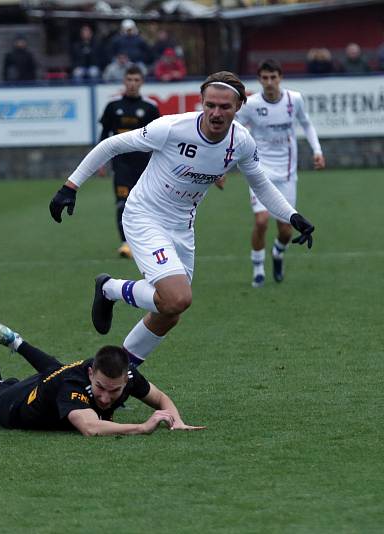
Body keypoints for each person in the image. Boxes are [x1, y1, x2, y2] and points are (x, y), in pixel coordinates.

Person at [48, 71, 316, 367]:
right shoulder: (172, 128)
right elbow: (111, 145)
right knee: (177, 299)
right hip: (144, 216)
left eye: (224, 107)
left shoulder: (241, 141)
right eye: (210, 105)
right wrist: (70, 187)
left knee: (169, 313)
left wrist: (292, 215)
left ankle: (122, 372)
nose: (215, 113)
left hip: (183, 227)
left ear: (239, 106)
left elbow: (261, 184)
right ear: (201, 101)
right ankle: (109, 288)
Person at [0, 311, 205, 436]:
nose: (106, 398)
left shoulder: (127, 375)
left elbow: (160, 398)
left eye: (115, 390)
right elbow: (91, 427)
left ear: (126, 378)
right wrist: (142, 427)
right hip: (16, 404)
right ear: (91, 374)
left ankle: (15, 341)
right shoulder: (73, 388)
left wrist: (177, 420)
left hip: (51, 382)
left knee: (56, 370)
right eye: (100, 387)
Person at [234, 59, 325, 287]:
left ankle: (278, 252)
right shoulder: (251, 105)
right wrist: (222, 162)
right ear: (259, 80)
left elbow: (307, 124)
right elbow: (234, 131)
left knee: (285, 230)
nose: (269, 82)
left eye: (273, 77)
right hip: (260, 170)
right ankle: (257, 269)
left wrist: (317, 150)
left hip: (286, 173)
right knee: (262, 220)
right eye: (265, 78)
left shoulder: (294, 99)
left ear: (280, 77)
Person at [98, 65, 160, 258]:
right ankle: (126, 243)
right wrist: (101, 160)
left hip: (144, 164)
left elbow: (158, 138)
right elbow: (104, 134)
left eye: (136, 80)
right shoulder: (113, 106)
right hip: (121, 164)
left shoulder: (150, 107)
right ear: (124, 81)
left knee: (146, 205)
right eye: (129, 80)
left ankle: (146, 242)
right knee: (122, 204)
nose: (132, 84)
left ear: (142, 82)